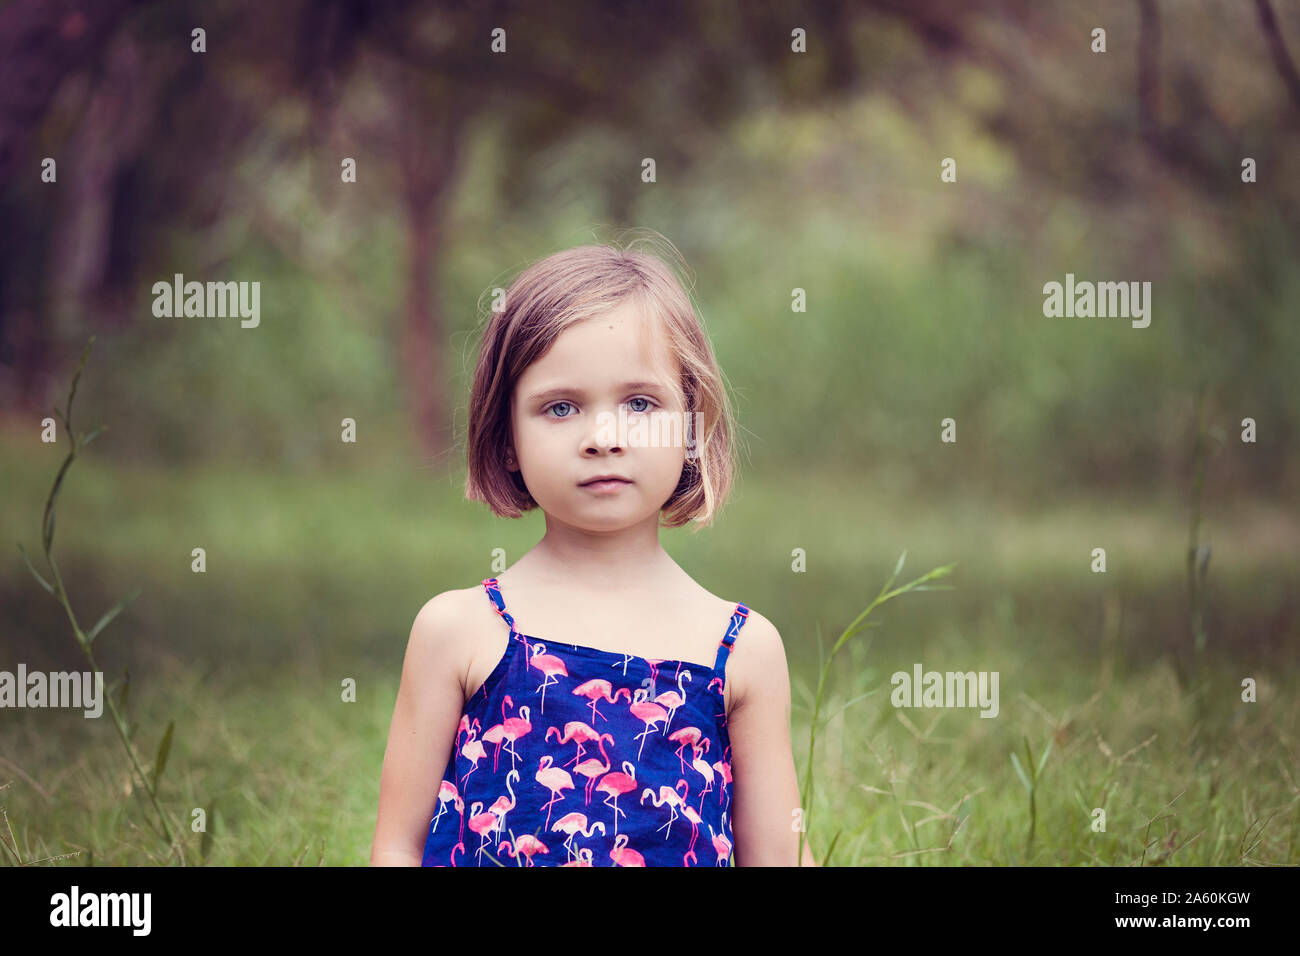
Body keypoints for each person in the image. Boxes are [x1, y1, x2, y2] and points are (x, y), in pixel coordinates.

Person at [370, 236, 816, 866]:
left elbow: (779, 859)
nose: (603, 437)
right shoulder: (458, 631)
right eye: (560, 407)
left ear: (691, 427)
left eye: (640, 403)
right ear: (504, 440)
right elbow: (396, 847)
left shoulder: (744, 650)